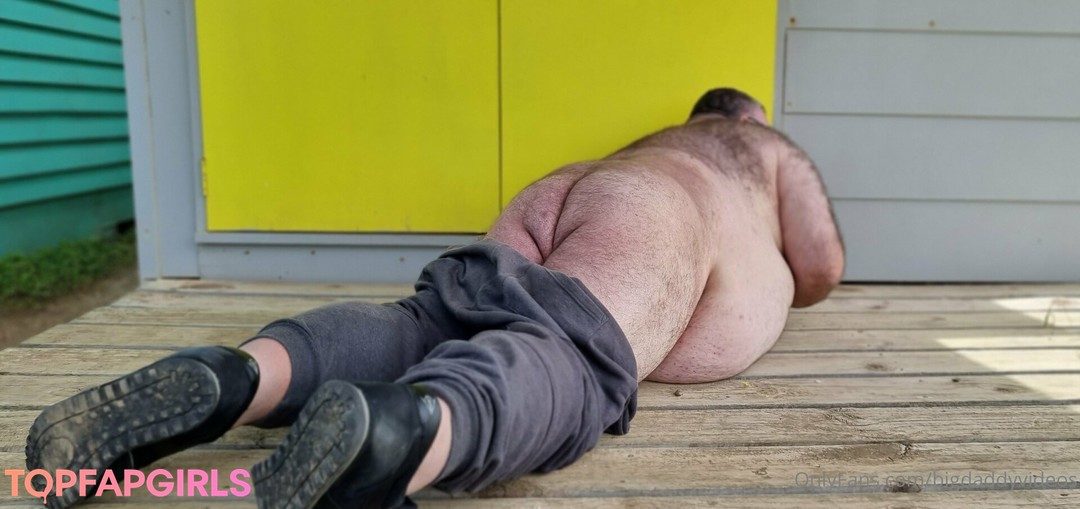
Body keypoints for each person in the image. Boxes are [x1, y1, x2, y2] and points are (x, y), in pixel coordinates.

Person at [26, 88, 844, 509]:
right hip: (657, 214)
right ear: (746, 115)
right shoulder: (756, 143)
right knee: (571, 357)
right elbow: (821, 268)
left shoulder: (651, 141)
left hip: (565, 191)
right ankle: (397, 437)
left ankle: (239, 373)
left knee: (426, 324)